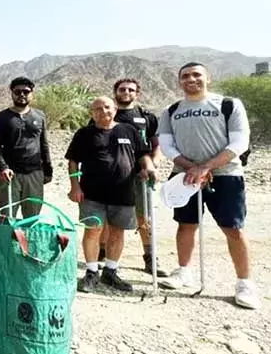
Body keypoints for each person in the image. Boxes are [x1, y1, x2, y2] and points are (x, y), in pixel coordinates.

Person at [156, 62, 260, 309]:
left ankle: (244, 283)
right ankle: (183, 271)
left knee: (233, 228)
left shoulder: (229, 104)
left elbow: (239, 142)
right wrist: (192, 167)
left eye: (196, 75)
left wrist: (206, 167)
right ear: (179, 81)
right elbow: (167, 145)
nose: (191, 79)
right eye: (185, 76)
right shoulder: (171, 110)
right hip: (185, 175)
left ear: (208, 78)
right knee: (186, 224)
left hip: (225, 175)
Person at [66, 96, 155, 293]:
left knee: (117, 232)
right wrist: (75, 186)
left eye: (107, 107)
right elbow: (73, 161)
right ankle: (91, 272)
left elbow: (143, 154)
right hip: (91, 193)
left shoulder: (129, 130)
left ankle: (110, 272)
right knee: (93, 230)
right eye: (97, 109)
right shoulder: (84, 133)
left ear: (115, 109)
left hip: (123, 192)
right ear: (92, 113)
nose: (103, 111)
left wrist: (149, 167)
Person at [93, 79, 167, 277]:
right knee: (107, 216)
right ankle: (102, 253)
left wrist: (152, 165)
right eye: (122, 89)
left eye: (131, 89)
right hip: (112, 175)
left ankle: (150, 257)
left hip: (141, 175)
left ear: (137, 93)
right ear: (115, 91)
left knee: (144, 216)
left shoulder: (146, 117)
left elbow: (156, 145)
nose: (126, 92)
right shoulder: (106, 113)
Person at [0, 77, 53, 218]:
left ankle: (28, 235)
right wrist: (3, 168)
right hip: (9, 174)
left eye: (26, 91)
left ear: (32, 93)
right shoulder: (1, 117)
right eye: (17, 92)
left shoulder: (40, 116)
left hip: (34, 173)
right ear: (12, 93)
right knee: (7, 217)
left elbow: (44, 144)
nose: (22, 95)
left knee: (32, 217)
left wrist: (48, 170)